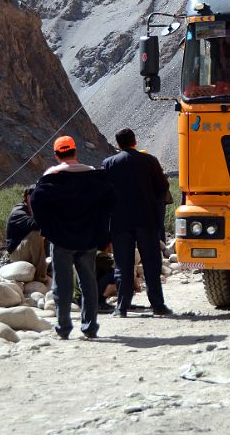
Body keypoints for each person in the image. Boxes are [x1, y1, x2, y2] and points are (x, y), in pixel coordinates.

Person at [30, 135, 115, 339]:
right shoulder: (94, 176)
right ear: (75, 152)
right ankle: (90, 327)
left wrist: (48, 229)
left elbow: (36, 201)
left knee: (62, 285)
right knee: (88, 283)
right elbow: (110, 202)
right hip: (88, 240)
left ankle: (63, 328)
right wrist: (101, 232)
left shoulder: (50, 178)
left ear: (57, 155)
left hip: (61, 241)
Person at [102, 128, 173, 317]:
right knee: (151, 263)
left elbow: (105, 193)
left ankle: (122, 307)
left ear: (118, 145)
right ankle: (158, 305)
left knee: (123, 266)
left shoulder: (109, 163)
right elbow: (163, 187)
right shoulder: (149, 161)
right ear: (135, 141)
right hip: (146, 220)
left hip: (120, 223)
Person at [5, 185, 49, 284]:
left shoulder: (37, 210)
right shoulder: (18, 212)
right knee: (36, 234)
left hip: (28, 252)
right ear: (28, 197)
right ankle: (40, 276)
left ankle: (49, 270)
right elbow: (34, 224)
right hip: (16, 254)